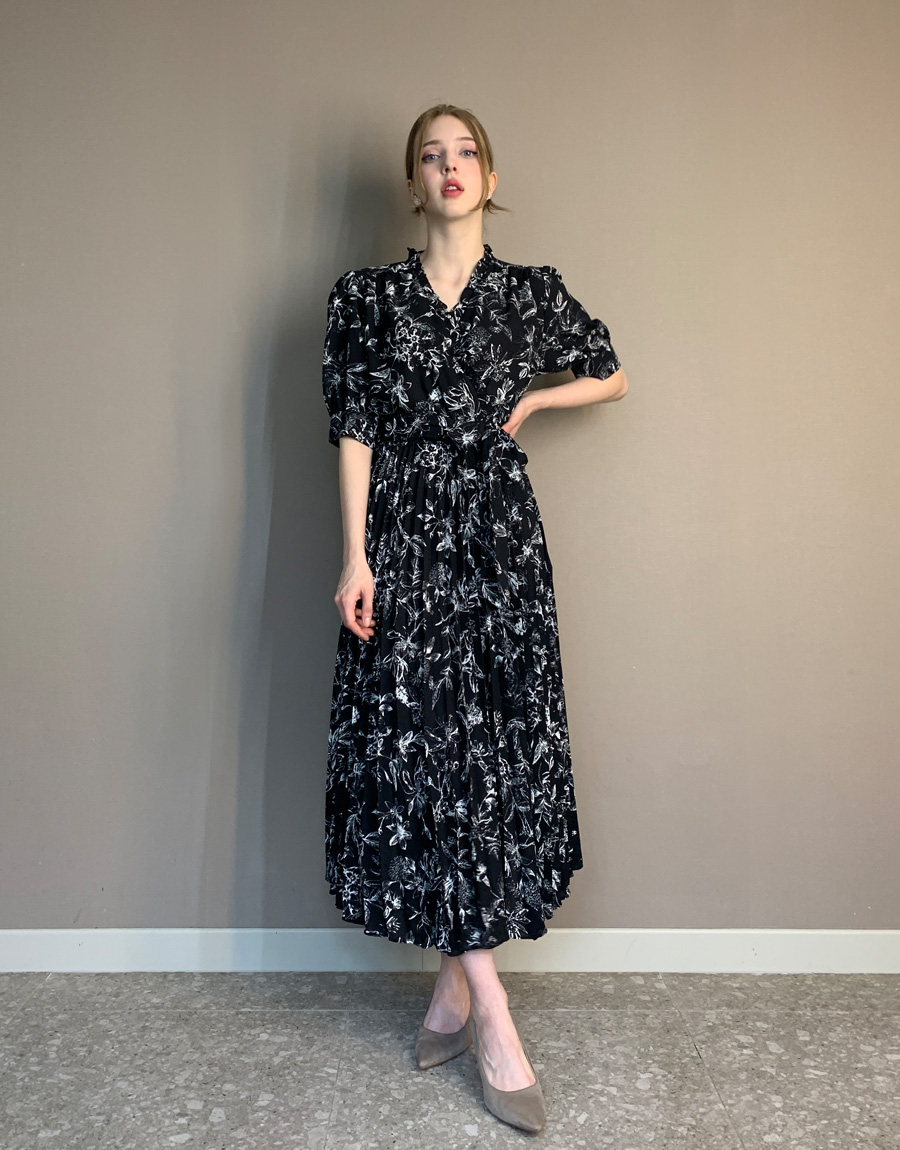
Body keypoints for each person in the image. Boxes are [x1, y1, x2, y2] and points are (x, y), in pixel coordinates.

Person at [321, 103, 628, 1134]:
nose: (449, 167)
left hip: (498, 543)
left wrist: (533, 403)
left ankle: (455, 990)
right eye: (431, 155)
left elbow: (613, 370)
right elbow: (355, 425)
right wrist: (357, 553)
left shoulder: (529, 293)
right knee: (420, 750)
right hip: (403, 537)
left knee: (489, 753)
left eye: (466, 153)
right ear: (413, 183)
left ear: (489, 178)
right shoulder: (367, 297)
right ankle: (492, 1011)